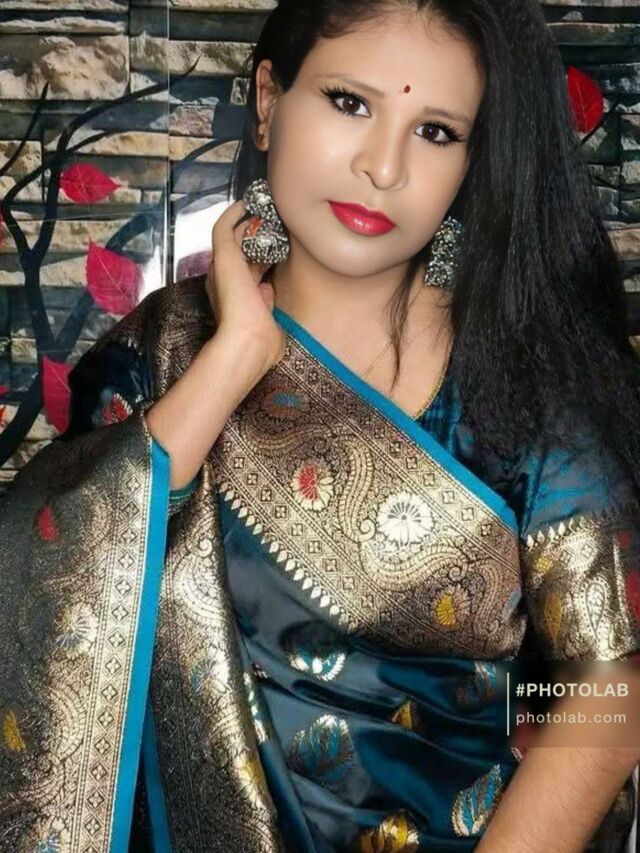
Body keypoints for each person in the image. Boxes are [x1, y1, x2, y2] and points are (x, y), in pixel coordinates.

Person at [1, 1, 640, 851]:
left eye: (436, 132)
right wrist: (233, 359)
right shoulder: (159, 354)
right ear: (269, 100)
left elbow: (605, 692)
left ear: (472, 163)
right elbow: (47, 590)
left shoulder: (527, 387)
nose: (383, 166)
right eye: (349, 102)